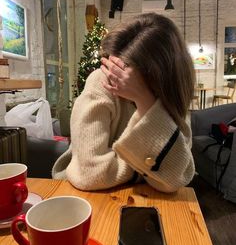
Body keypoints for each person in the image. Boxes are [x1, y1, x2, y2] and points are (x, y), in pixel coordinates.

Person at [52, 13, 195, 192]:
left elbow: (176, 178)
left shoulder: (172, 93)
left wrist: (144, 100)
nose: (115, 74)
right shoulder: (102, 81)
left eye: (124, 69)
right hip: (84, 197)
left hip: (145, 200)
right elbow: (91, 174)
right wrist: (149, 168)